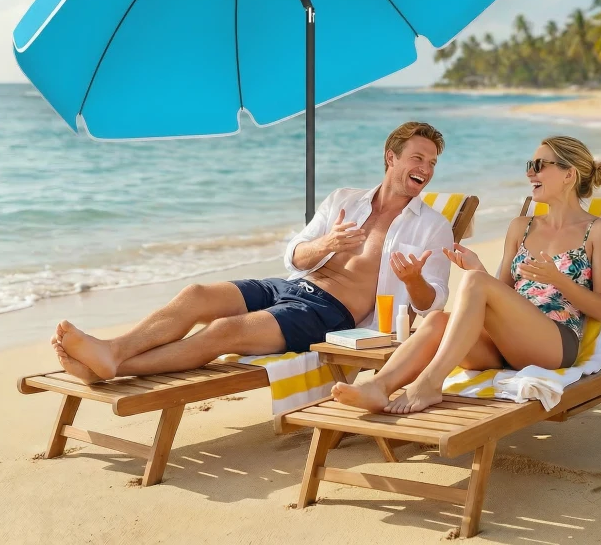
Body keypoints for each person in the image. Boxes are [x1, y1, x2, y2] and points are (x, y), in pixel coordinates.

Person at [51, 122, 455, 384]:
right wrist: (327, 244)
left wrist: (412, 280)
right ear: (392, 158)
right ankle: (110, 353)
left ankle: (112, 363)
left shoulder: (432, 225)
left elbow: (433, 302)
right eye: (417, 157)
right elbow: (294, 255)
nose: (426, 168)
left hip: (330, 314)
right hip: (292, 285)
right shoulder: (344, 199)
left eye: (432, 162)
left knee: (225, 332)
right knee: (196, 295)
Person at [332, 135, 601, 415]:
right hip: (506, 343)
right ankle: (377, 386)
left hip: (554, 343)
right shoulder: (521, 226)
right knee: (436, 320)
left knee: (474, 283)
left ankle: (430, 382)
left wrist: (558, 280)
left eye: (539, 166)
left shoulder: (599, 231)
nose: (530, 173)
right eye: (528, 165)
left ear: (569, 175)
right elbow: (500, 292)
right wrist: (478, 269)